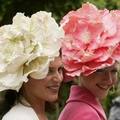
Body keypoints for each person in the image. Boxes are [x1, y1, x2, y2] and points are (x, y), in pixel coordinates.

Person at [58, 2, 120, 120]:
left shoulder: (77, 107)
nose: (109, 79)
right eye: (100, 70)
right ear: (81, 68)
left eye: (114, 71)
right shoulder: (86, 114)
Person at [0, 11, 64, 120]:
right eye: (48, 71)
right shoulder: (17, 118)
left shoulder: (38, 114)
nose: (58, 78)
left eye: (60, 69)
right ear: (25, 75)